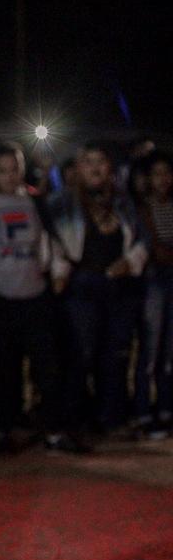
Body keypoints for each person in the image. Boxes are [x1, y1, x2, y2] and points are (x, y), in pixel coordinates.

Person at [0, 144, 85, 454]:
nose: (10, 175)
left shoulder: (34, 199)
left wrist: (58, 270)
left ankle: (53, 431)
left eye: (15, 168)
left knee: (47, 367)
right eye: (3, 170)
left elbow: (51, 238)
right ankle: (4, 430)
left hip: (36, 296)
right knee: (2, 368)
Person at [50, 142, 147, 432]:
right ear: (78, 169)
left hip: (119, 288)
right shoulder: (61, 202)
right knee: (81, 355)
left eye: (101, 161)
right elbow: (51, 241)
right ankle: (74, 420)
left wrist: (130, 261)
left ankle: (111, 416)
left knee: (115, 355)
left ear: (110, 169)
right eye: (88, 161)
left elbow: (142, 239)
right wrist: (60, 272)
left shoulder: (124, 202)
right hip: (80, 287)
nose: (95, 168)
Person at [132, 151, 173, 438]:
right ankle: (144, 412)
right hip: (153, 281)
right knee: (150, 349)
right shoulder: (141, 208)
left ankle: (166, 409)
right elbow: (152, 248)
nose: (163, 179)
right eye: (157, 174)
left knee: (170, 352)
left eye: (167, 173)